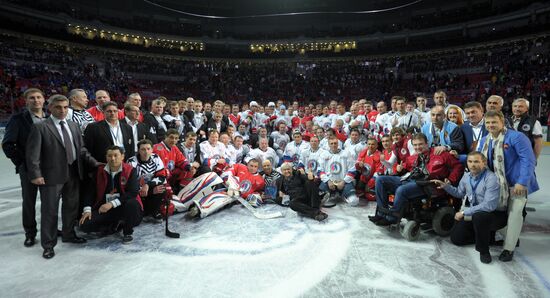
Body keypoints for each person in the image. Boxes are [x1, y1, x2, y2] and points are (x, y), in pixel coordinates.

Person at [26, 95, 99, 259]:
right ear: (50, 108)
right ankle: (48, 244)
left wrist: (95, 163)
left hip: (74, 172)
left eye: (66, 107)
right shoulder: (40, 127)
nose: (63, 110)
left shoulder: (73, 126)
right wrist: (36, 174)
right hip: (51, 175)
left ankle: (68, 234)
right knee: (50, 211)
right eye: (58, 107)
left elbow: (81, 150)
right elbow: (32, 155)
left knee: (71, 207)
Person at [477, 110, 539, 262]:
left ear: (502, 122)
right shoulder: (485, 139)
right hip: (496, 185)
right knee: (501, 215)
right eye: (488, 122)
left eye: (494, 122)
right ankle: (510, 235)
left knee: (515, 214)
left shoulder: (517, 137)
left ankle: (509, 248)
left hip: (517, 184)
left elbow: (528, 160)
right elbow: (478, 159)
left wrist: (522, 182)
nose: (491, 125)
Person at [371, 133, 463, 226]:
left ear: (427, 143)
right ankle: (381, 214)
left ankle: (392, 217)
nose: (417, 147)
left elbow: (458, 166)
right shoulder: (413, 157)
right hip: (411, 179)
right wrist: (398, 168)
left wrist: (450, 179)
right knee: (380, 180)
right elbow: (403, 166)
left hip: (429, 184)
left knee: (401, 190)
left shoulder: (441, 154)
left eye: (420, 144)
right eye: (415, 145)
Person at [432, 152, 507, 264]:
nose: (472, 165)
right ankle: (489, 238)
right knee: (456, 238)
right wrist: (446, 186)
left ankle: (484, 250)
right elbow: (459, 193)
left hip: (494, 215)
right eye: (470, 161)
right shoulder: (466, 177)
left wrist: (464, 212)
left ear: (484, 162)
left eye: (476, 161)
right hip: (475, 214)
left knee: (479, 216)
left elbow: (489, 206)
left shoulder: (491, 178)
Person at [2, 88, 47, 247]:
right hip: (28, 169)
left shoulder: (49, 118)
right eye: (32, 98)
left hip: (49, 168)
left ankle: (50, 230)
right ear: (26, 101)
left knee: (50, 202)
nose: (36, 100)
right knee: (29, 201)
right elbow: (8, 144)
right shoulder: (18, 119)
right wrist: (23, 163)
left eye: (38, 97)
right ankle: (30, 233)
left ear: (43, 100)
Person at [80, 146, 143, 244]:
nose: (112, 158)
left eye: (115, 155)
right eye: (109, 156)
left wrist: (112, 204)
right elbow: (90, 191)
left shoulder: (130, 170)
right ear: (106, 157)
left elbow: (133, 192)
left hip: (125, 207)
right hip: (107, 209)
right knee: (85, 225)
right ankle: (115, 224)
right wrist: (87, 210)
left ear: (122, 156)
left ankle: (127, 232)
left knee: (132, 203)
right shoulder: (99, 171)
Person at [128, 139, 167, 222]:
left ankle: (153, 212)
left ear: (152, 149)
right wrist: (147, 190)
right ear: (138, 150)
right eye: (143, 149)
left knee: (161, 188)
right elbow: (130, 183)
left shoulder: (156, 158)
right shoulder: (131, 162)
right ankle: (144, 212)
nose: (146, 152)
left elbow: (162, 177)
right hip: (136, 191)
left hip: (149, 187)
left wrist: (148, 185)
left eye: (148, 149)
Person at [319, 136, 359, 206]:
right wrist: (328, 181)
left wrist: (344, 181)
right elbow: (320, 171)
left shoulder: (346, 153)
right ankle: (331, 193)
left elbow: (352, 170)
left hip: (344, 182)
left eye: (335, 143)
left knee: (354, 201)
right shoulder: (324, 155)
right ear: (328, 145)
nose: (333, 145)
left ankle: (343, 194)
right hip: (329, 182)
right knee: (318, 199)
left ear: (338, 144)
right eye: (331, 143)